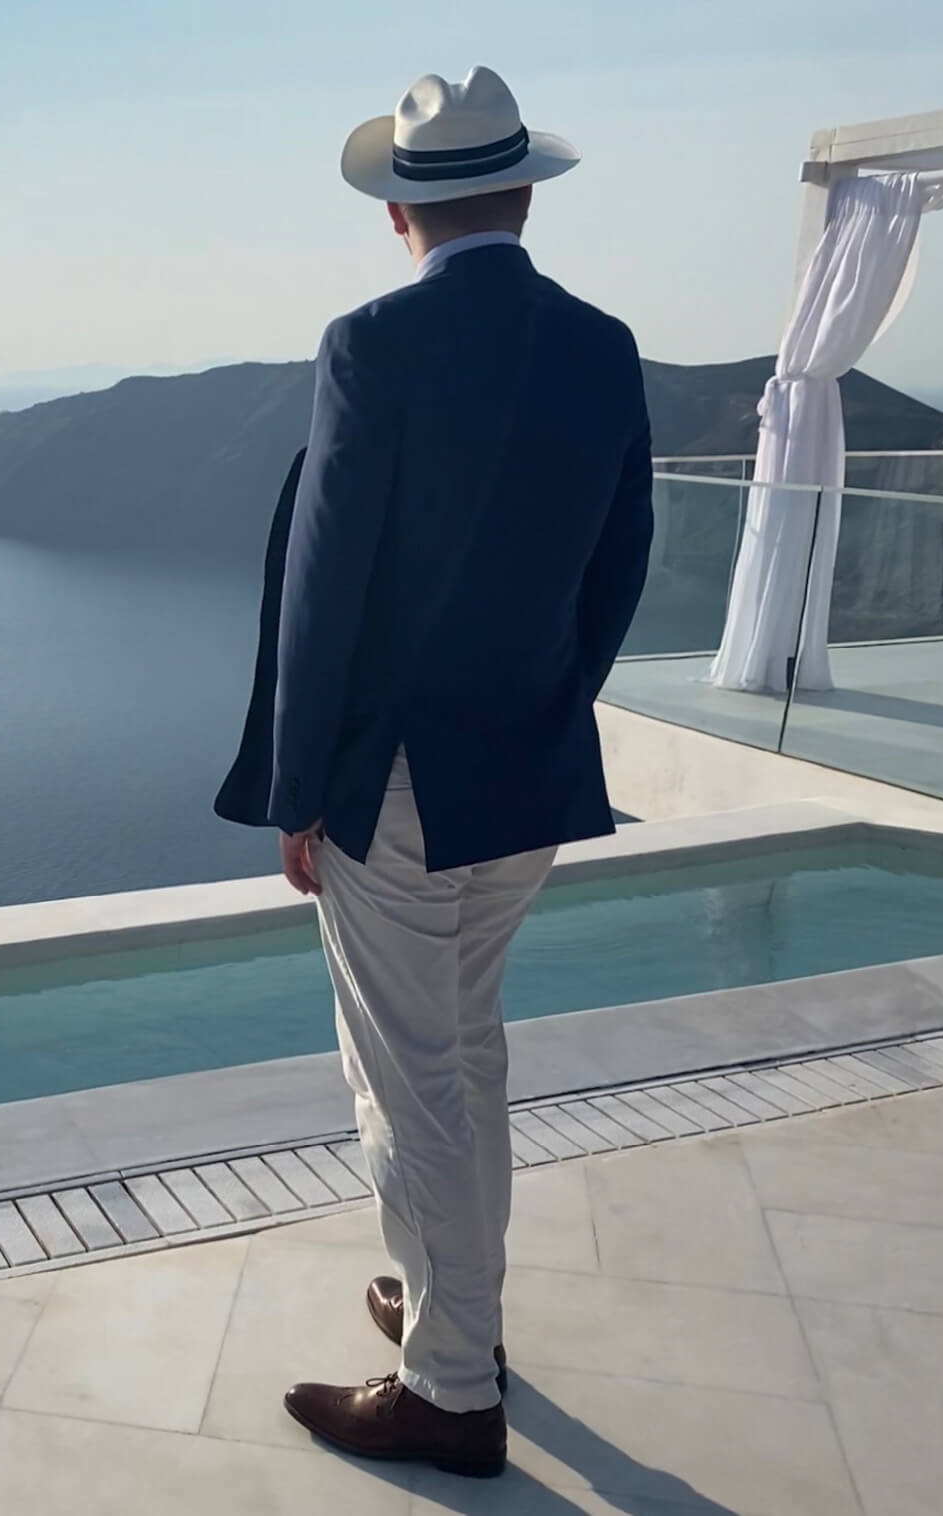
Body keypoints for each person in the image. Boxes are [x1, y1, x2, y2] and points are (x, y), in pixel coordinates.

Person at [247, 65, 653, 1477]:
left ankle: (450, 1390)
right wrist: (552, 709)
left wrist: (302, 790)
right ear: (526, 193)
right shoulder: (604, 348)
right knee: (466, 1054)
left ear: (401, 212)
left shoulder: (371, 346)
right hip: (525, 776)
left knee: (409, 1082)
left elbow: (324, 591)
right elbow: (618, 574)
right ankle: (451, 1308)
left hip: (400, 788)